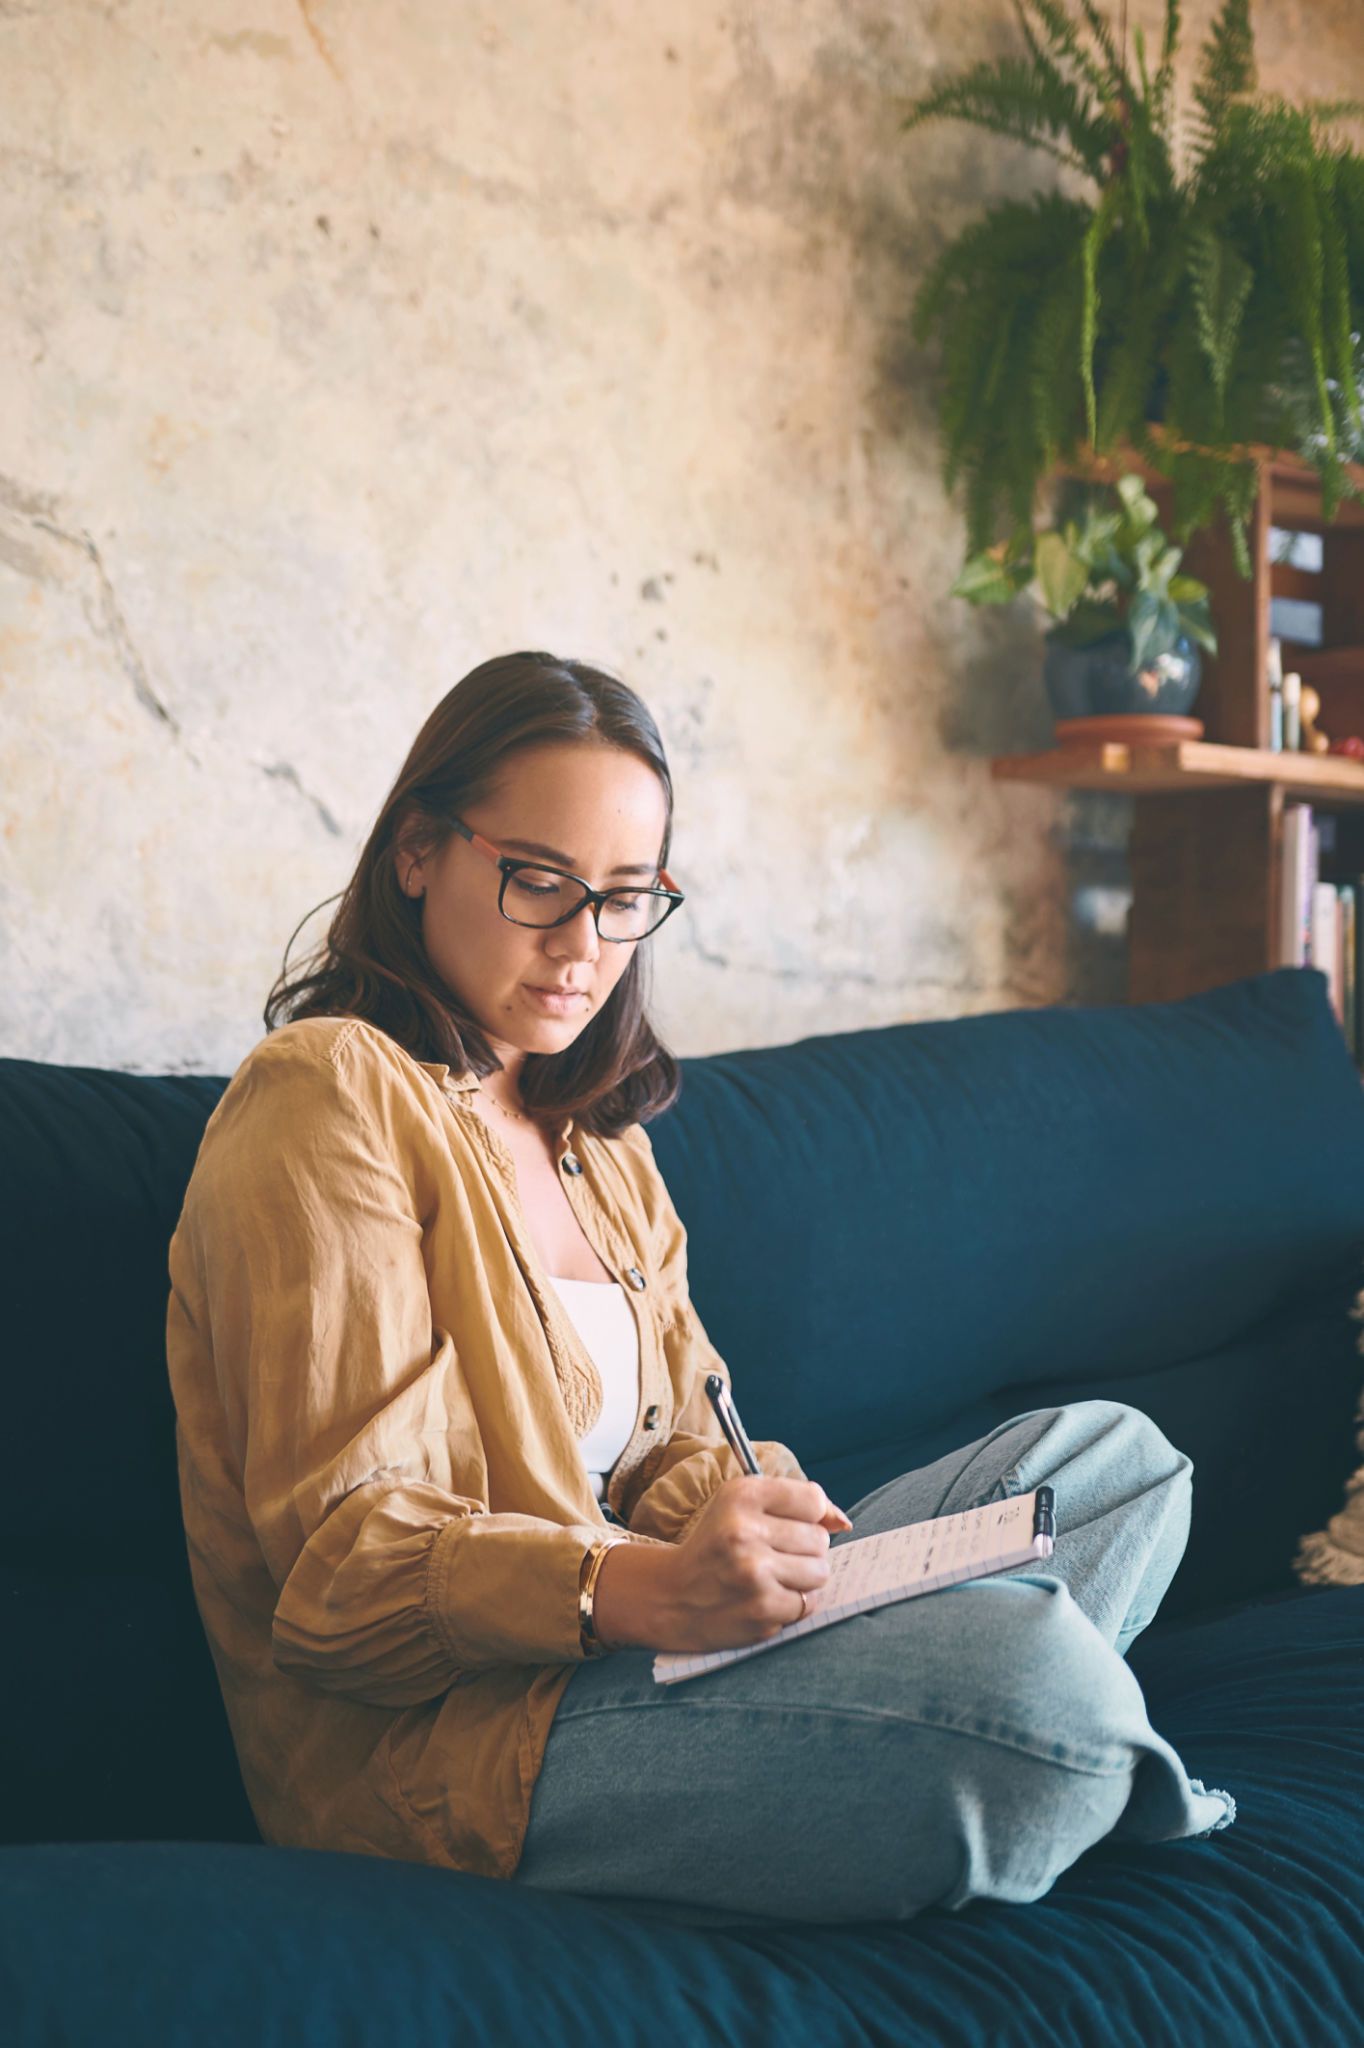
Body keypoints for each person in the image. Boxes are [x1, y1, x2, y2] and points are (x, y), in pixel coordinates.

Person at [165, 649, 1235, 1931]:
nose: (582, 946)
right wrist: (642, 1589)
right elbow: (340, 1579)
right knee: (1026, 1669)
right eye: (538, 881)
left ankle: (994, 1753)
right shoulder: (325, 1093)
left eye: (625, 898)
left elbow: (675, 1446)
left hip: (654, 1642)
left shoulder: (599, 1145)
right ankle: (1047, 1754)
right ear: (416, 852)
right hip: (459, 1746)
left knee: (1117, 1466)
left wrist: (768, 1527)